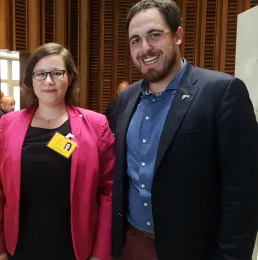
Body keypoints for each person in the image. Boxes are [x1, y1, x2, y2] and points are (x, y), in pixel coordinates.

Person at [111, 1, 258, 260]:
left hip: (193, 249)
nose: (145, 48)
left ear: (178, 35)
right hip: (131, 245)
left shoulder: (222, 92)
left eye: (154, 35)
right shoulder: (126, 99)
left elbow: (243, 192)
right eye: (135, 40)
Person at [0, 43, 115, 260]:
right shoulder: (8, 124)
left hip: (76, 246)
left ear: (70, 77)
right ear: (31, 79)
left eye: (57, 73)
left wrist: (101, 253)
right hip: (21, 244)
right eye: (40, 74)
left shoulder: (96, 124)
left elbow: (108, 193)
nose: (48, 81)